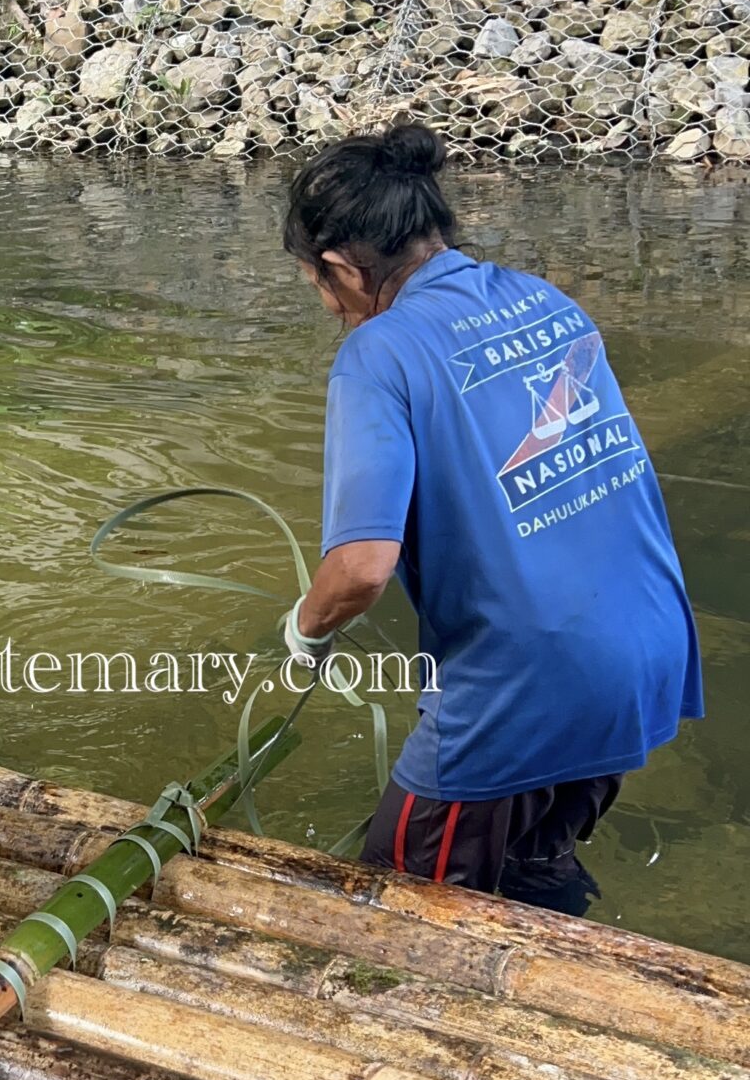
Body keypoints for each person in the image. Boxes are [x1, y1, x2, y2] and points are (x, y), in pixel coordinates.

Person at [281, 123, 702, 911]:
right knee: (530, 872)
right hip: (643, 656)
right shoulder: (546, 301)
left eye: (319, 285)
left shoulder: (380, 353)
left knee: (399, 912)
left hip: (523, 685)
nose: (331, 307)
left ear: (340, 266)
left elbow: (362, 567)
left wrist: (308, 629)